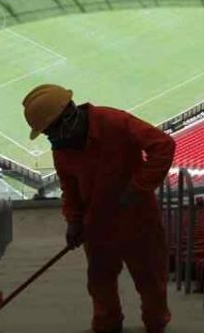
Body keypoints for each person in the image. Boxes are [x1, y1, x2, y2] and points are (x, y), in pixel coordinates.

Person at [22, 84, 175, 333]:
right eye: (48, 134)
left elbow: (163, 145)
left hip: (138, 221)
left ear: (69, 115)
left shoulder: (114, 121)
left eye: (52, 131)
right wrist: (73, 222)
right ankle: (107, 325)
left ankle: (156, 324)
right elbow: (70, 191)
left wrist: (137, 188)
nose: (53, 139)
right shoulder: (62, 150)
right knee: (100, 282)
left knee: (150, 281)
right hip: (97, 227)